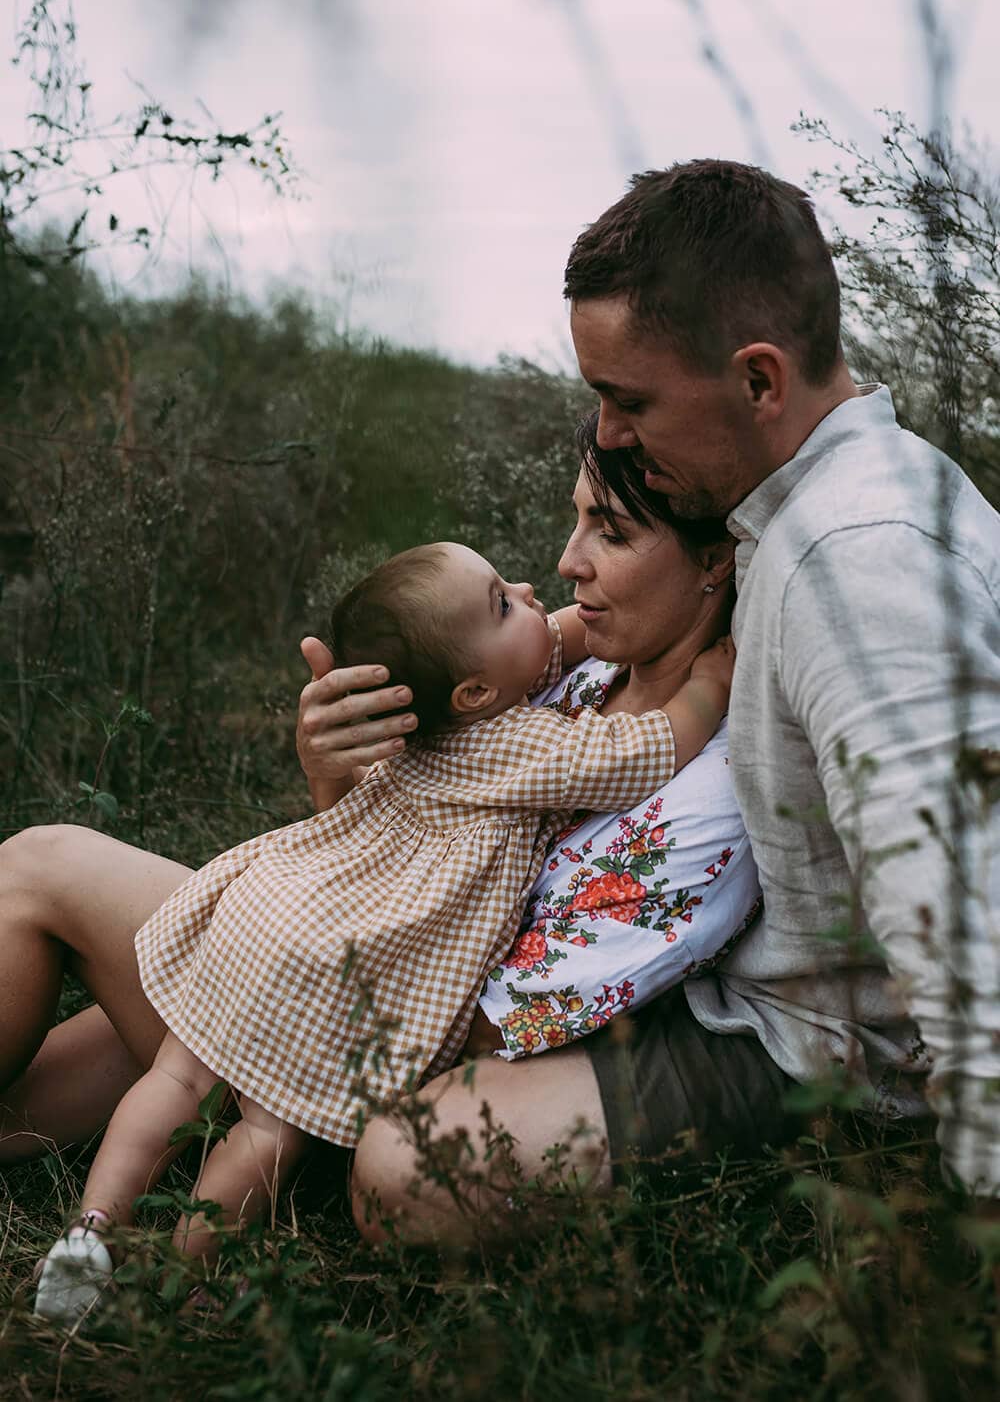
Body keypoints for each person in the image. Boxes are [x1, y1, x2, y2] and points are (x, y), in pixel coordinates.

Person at [348, 158, 1000, 1238]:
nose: (608, 436)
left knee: (412, 1167)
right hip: (717, 980)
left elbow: (963, 919)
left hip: (815, 1051)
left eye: (627, 399)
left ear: (756, 380)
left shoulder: (858, 562)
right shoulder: (811, 504)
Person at [29, 532, 735, 1320]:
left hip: (272, 905)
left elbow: (521, 640)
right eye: (507, 599)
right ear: (471, 691)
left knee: (175, 1079)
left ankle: (90, 1228)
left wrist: (519, 623)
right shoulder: (525, 742)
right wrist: (709, 680)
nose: (540, 587)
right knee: (266, 1130)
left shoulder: (426, 723)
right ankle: (183, 1275)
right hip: (337, 969)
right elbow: (650, 748)